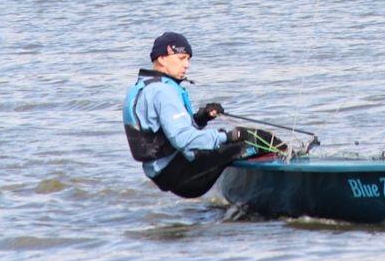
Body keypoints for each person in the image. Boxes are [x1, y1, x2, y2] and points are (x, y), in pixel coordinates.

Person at [122, 32, 284, 198]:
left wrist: (201, 118)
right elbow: (183, 138)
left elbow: (165, 134)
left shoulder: (145, 86)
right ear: (162, 58)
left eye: (188, 59)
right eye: (181, 58)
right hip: (183, 175)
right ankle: (291, 168)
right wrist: (228, 136)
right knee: (254, 139)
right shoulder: (163, 92)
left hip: (167, 173)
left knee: (232, 139)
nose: (187, 65)